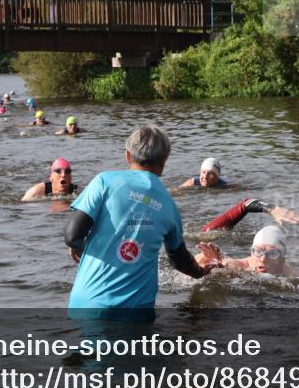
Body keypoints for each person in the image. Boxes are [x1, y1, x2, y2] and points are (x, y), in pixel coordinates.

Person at [63, 125, 218, 314]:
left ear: (128, 155)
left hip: (86, 304)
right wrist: (200, 271)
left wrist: (77, 247)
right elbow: (178, 259)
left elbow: (72, 236)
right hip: (135, 311)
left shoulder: (103, 182)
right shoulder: (169, 206)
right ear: (164, 161)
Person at [194, 225, 298, 278]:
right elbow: (229, 265)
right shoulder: (242, 266)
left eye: (272, 254)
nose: (263, 259)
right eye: (258, 251)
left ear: (282, 258)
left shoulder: (288, 272)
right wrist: (217, 261)